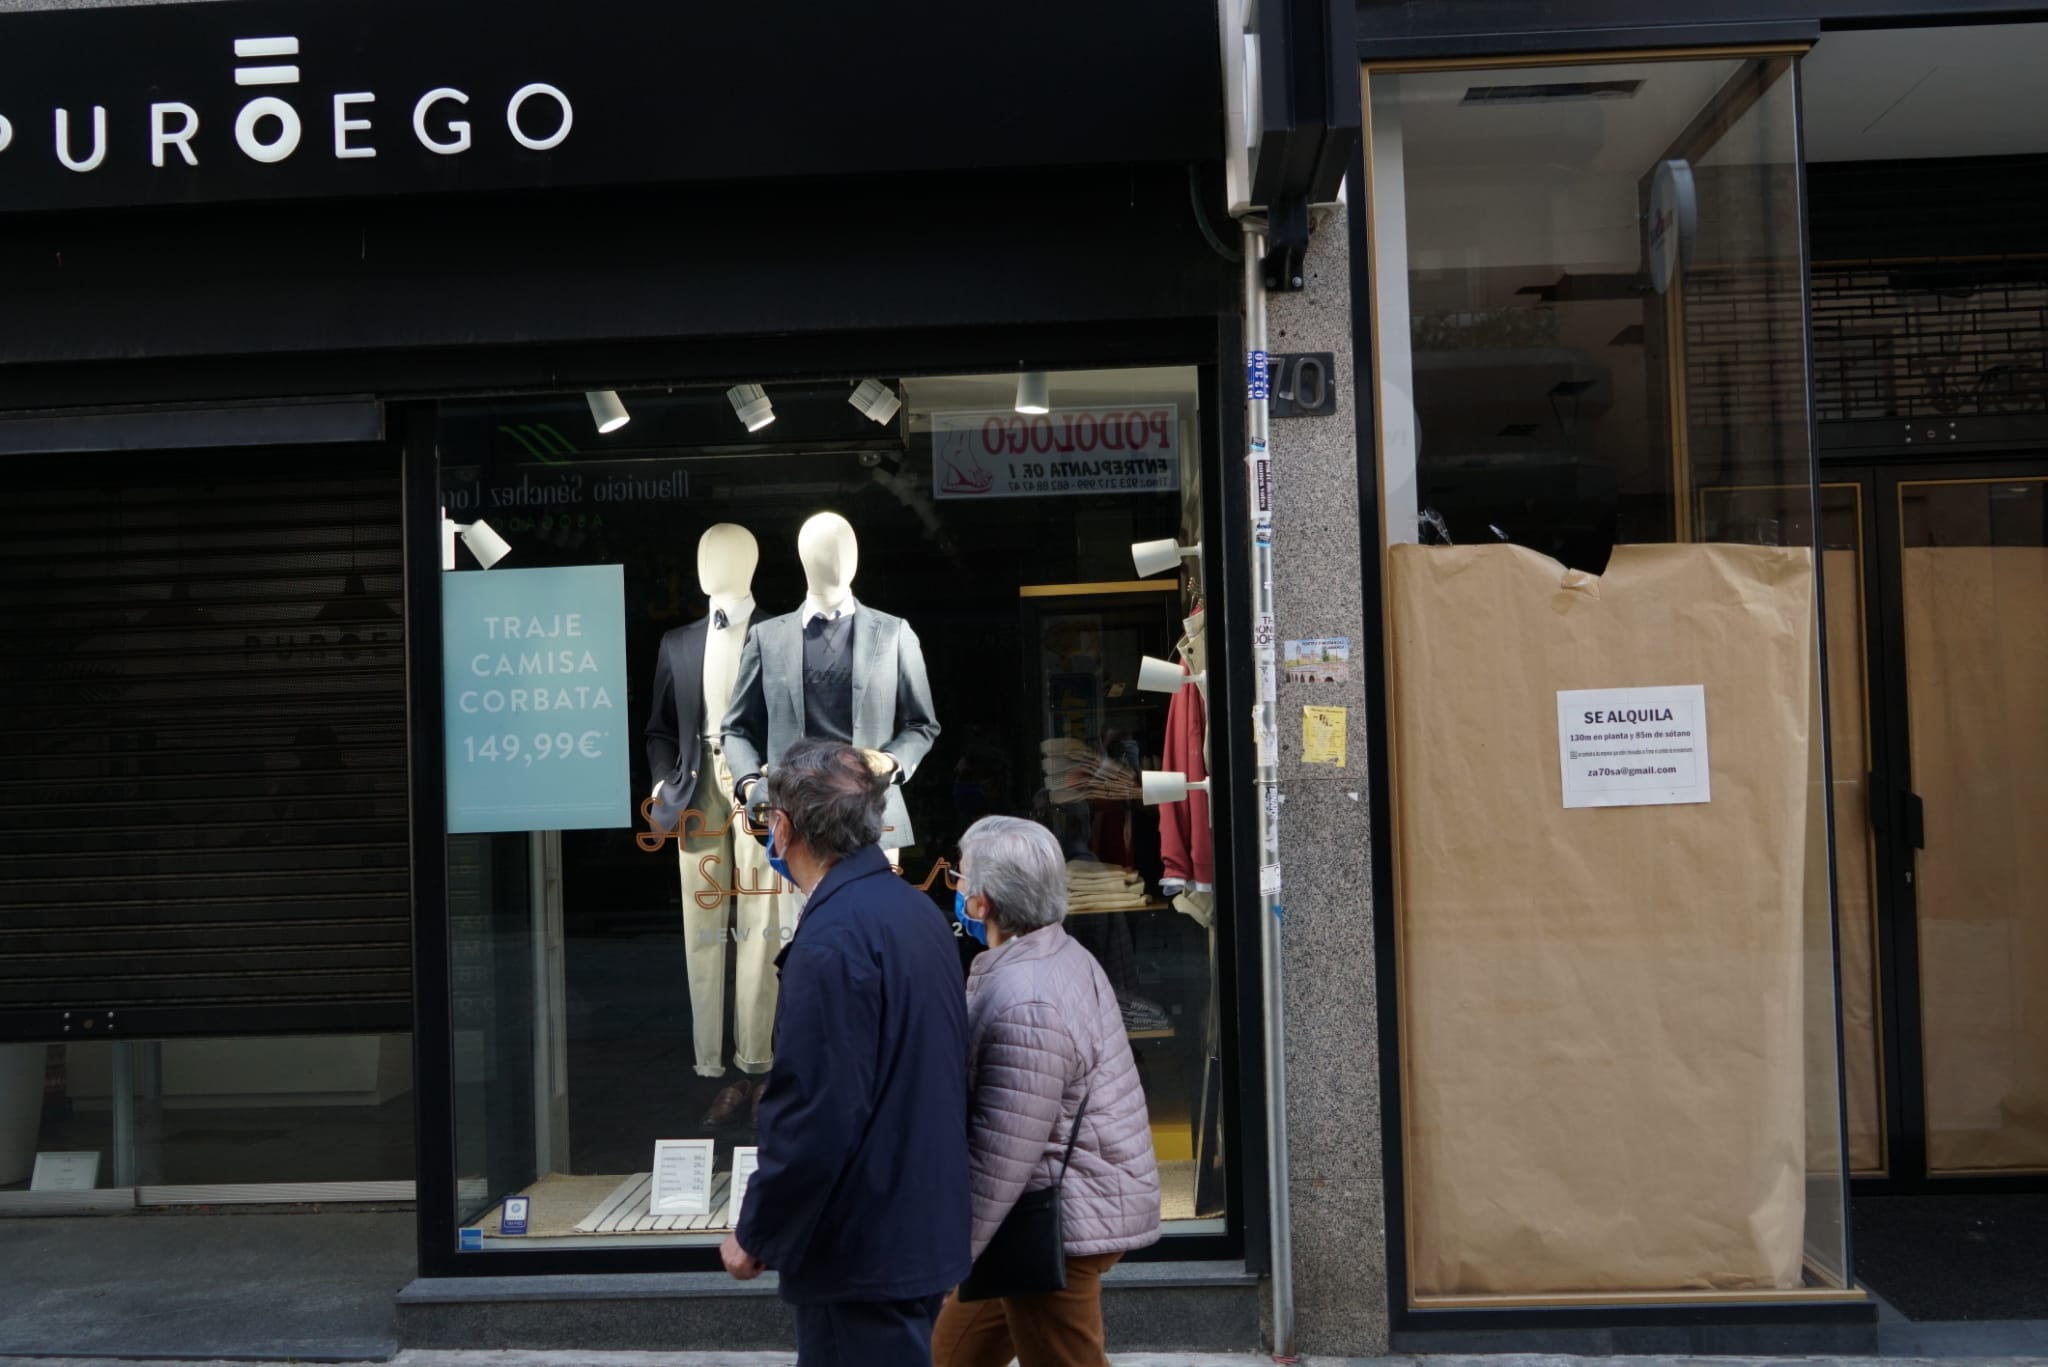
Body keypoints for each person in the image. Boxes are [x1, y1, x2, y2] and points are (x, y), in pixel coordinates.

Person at [721, 739, 970, 1366]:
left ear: (783, 826)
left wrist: (757, 1230)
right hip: (916, 1226)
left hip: (860, 1247)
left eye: (768, 819)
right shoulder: (914, 911)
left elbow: (817, 1112)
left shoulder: (833, 938)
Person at [932, 815, 1161, 1367]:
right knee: (946, 1356)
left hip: (1053, 1221)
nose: (958, 890)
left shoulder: (1026, 996)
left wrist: (950, 1255)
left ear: (982, 902)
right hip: (1038, 1212)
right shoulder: (1055, 952)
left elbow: (1001, 1152)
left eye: (962, 879)